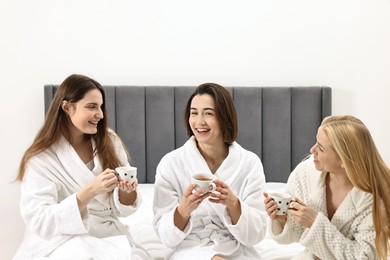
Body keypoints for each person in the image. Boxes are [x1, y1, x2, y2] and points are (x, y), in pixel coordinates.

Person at [13, 74, 152, 259]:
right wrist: (89, 192)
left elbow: (122, 207)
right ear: (67, 107)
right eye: (92, 107)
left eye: (101, 107)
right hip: (64, 239)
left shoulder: (109, 141)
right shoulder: (41, 159)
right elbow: (40, 220)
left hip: (107, 234)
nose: (100, 114)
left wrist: (127, 192)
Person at [153, 83, 267, 260]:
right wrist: (184, 209)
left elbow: (256, 234)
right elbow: (164, 235)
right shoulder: (171, 163)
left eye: (208, 113)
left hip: (236, 249)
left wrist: (233, 204)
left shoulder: (249, 163)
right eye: (194, 113)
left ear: (224, 117)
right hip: (189, 248)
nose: (199, 122)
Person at [264, 115, 390, 260]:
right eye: (316, 143)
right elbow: (294, 234)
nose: (312, 150)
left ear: (344, 160)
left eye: (321, 148)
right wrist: (282, 220)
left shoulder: (374, 199)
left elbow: (363, 257)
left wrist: (315, 223)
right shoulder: (306, 173)